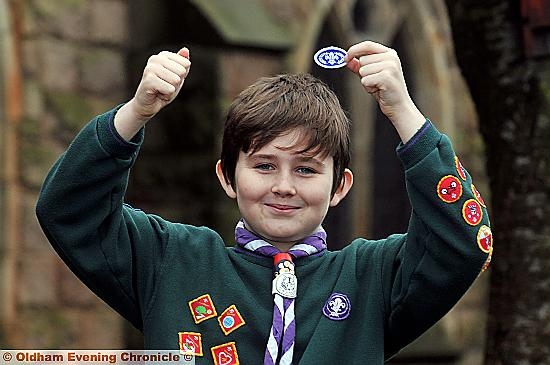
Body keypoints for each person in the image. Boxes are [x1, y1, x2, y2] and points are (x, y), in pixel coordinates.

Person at [36, 40, 493, 365]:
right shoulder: (170, 261)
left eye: (307, 169)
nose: (284, 186)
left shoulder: (370, 278)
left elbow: (463, 243)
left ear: (341, 187)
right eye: (264, 165)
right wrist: (135, 112)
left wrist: (404, 112)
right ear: (227, 177)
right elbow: (69, 208)